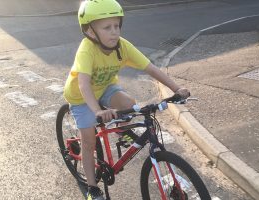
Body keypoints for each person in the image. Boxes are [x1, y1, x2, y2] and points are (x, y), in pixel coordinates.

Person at [63, 0, 190, 199]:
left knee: (130, 105)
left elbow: (151, 68)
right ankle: (92, 188)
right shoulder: (87, 49)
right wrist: (97, 110)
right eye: (107, 27)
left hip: (105, 88)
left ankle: (122, 132)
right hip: (81, 97)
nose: (114, 32)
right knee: (88, 142)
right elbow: (84, 85)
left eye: (117, 25)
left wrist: (176, 89)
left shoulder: (122, 47)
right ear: (89, 31)